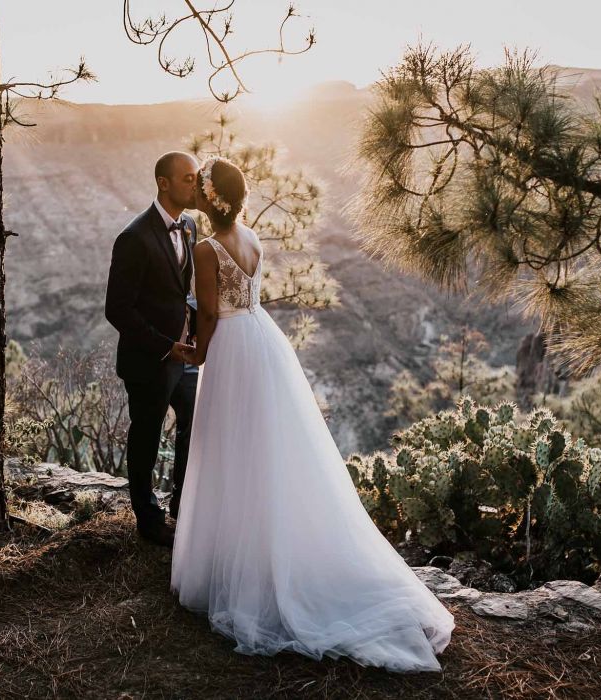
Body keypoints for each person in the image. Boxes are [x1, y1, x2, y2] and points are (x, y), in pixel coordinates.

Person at [170, 156, 455, 672]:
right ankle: (263, 552)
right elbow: (246, 298)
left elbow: (210, 314)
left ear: (211, 199)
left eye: (202, 186)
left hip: (232, 349)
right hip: (263, 343)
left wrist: (194, 355)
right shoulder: (252, 238)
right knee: (268, 451)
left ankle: (242, 568)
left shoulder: (208, 249)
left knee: (229, 451)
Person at [105, 152, 199, 547]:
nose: (196, 184)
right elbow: (117, 309)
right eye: (188, 178)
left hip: (185, 356)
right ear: (164, 183)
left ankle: (183, 506)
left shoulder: (190, 225)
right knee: (146, 435)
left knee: (195, 425)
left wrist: (195, 333)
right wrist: (166, 347)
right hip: (150, 360)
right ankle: (148, 519)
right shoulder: (134, 237)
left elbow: (181, 293)